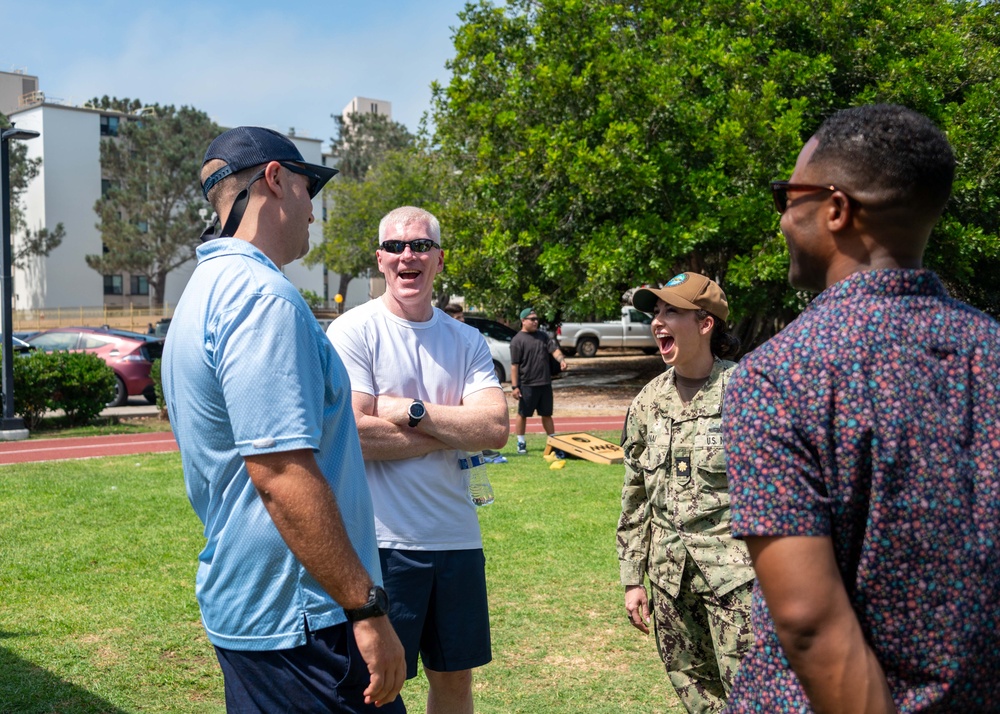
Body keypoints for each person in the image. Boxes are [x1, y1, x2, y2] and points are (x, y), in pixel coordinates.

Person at [724, 104, 1000, 712]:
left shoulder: (777, 377)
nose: (780, 222)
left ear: (836, 209)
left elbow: (808, 624)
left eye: (785, 198)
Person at [161, 126, 406, 713]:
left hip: (254, 611)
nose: (313, 213)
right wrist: (365, 608)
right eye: (308, 188)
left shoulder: (201, 292)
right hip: (304, 620)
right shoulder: (260, 296)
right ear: (275, 179)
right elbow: (280, 472)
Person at [327, 206, 509, 714]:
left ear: (440, 260)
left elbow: (494, 429)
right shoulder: (353, 331)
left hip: (457, 538)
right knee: (377, 687)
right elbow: (356, 435)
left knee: (454, 683)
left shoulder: (466, 340)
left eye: (421, 246)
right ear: (380, 260)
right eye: (396, 246)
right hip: (383, 543)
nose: (408, 255)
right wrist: (453, 430)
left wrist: (407, 410)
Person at [616, 273, 753, 713]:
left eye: (671, 311)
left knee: (754, 698)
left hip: (739, 582)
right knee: (697, 695)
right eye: (656, 312)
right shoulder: (647, 402)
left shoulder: (748, 392)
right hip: (670, 580)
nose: (658, 321)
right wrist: (633, 577)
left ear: (706, 323)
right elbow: (635, 495)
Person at [510, 307, 567, 455]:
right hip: (527, 384)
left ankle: (553, 441)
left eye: (536, 319)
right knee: (522, 414)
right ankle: (521, 442)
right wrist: (515, 386)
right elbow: (514, 366)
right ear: (523, 321)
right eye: (532, 319)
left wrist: (561, 360)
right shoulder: (517, 340)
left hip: (545, 383)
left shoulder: (543, 336)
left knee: (547, 414)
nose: (535, 322)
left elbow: (554, 350)